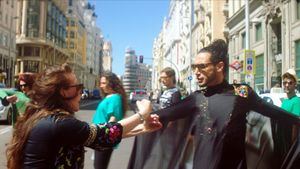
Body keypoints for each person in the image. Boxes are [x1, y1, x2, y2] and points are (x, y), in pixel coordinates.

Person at [142, 39, 300, 169]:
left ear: (219, 66)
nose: (196, 72)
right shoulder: (196, 97)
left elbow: (273, 112)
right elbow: (163, 115)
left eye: (202, 66)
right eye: (194, 67)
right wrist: (143, 114)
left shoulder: (241, 92)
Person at [6, 63, 162, 169]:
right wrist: (142, 114)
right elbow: (103, 134)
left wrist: (143, 128)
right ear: (63, 92)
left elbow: (96, 133)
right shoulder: (58, 122)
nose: (81, 92)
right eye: (78, 87)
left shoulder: (46, 117)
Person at [128, 67, 185, 169]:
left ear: (172, 77)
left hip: (168, 128)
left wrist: (170, 126)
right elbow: (158, 106)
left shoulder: (176, 92)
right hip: (158, 124)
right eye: (161, 78)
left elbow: (175, 112)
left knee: (165, 154)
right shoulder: (163, 91)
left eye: (164, 77)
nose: (162, 80)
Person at [92, 71, 128, 169]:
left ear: (111, 83)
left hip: (104, 138)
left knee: (99, 167)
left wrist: (105, 140)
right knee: (98, 166)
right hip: (99, 137)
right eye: (100, 83)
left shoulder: (115, 98)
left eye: (103, 83)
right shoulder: (109, 97)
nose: (101, 86)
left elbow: (113, 119)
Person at [272, 69, 300, 167]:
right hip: (282, 142)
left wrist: (292, 149)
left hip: (289, 145)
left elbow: (295, 125)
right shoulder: (284, 101)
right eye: (284, 83)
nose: (287, 85)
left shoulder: (296, 101)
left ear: (295, 84)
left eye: (290, 83)